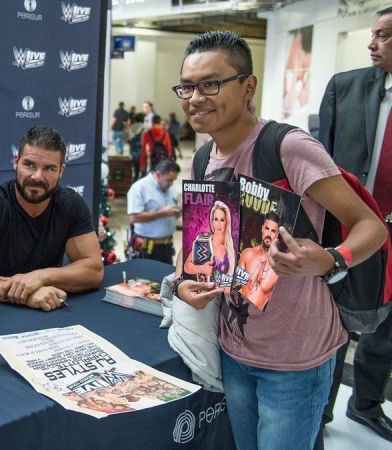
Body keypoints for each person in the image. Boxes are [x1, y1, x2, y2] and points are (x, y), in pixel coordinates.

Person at [171, 31, 387, 449]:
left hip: (296, 358)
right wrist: (184, 283)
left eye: (211, 84)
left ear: (248, 86)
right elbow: (199, 250)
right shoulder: (203, 157)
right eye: (188, 87)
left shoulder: (287, 146)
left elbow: (371, 226)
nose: (196, 97)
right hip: (234, 348)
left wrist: (330, 259)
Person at [317, 6, 392, 442]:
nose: (371, 43)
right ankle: (321, 412)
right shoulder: (344, 88)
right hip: (348, 230)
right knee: (337, 323)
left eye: (383, 36)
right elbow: (319, 163)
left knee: (387, 331)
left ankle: (365, 404)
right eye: (373, 33)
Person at [0, 126, 103, 311]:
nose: (37, 176)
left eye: (49, 169)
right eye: (29, 164)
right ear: (16, 162)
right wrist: (25, 295)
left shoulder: (71, 204)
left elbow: (94, 270)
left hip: (46, 307)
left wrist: (41, 277)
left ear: (61, 171)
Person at [126, 159, 181, 264]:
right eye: (169, 180)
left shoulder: (171, 189)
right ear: (158, 174)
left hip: (167, 246)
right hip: (147, 248)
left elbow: (173, 211)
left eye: (174, 180)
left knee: (166, 278)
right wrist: (163, 213)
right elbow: (134, 217)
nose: (171, 183)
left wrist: (177, 213)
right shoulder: (139, 188)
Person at [183, 201, 236, 289]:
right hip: (203, 293)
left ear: (227, 222)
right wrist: (202, 269)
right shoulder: (203, 242)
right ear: (212, 221)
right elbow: (186, 266)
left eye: (222, 220)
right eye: (216, 219)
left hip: (222, 296)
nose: (218, 224)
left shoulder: (230, 248)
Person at [235, 213, 280, 311]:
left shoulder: (278, 269)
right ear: (262, 228)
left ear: (277, 234)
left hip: (258, 317)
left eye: (273, 231)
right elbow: (236, 286)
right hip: (238, 309)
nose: (268, 234)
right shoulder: (247, 254)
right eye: (267, 229)